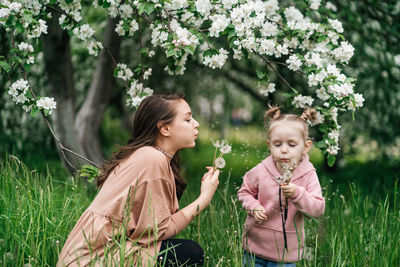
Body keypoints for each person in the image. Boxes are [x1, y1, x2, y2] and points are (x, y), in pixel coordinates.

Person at [57, 94, 220, 267]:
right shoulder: (152, 159)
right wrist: (204, 199)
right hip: (92, 259)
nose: (196, 124)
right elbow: (160, 232)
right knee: (190, 253)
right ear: (165, 129)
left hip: (98, 253)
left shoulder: (152, 156)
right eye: (188, 119)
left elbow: (151, 232)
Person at [237, 106, 325, 266]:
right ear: (269, 145)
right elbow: (245, 192)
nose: (284, 150)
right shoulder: (261, 170)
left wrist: (298, 194)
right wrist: (254, 206)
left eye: (291, 145)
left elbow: (317, 208)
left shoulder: (308, 174)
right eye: (278, 144)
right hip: (254, 249)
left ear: (306, 146)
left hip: (286, 255)